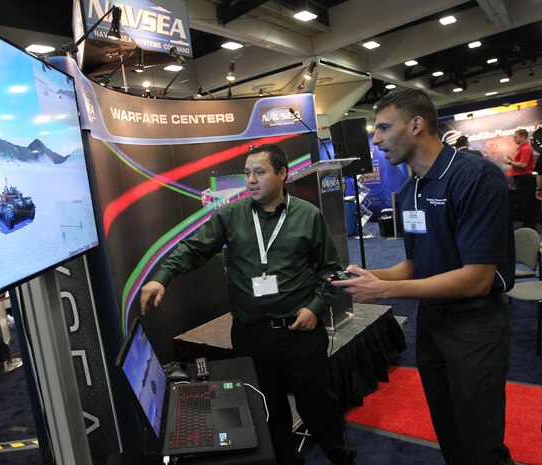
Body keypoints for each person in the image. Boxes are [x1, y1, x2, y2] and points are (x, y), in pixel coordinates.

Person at [140, 144, 356, 465]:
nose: (251, 180)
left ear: (282, 174)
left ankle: (341, 458)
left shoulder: (308, 215)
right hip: (251, 335)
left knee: (318, 406)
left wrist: (316, 306)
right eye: (247, 173)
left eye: (260, 172)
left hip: (299, 332)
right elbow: (192, 249)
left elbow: (329, 270)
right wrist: (162, 276)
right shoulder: (230, 215)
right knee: (267, 411)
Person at [333, 88, 515, 465]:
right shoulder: (410, 189)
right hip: (432, 324)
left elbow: (477, 278)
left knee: (480, 443)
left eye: (383, 127)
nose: (377, 139)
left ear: (416, 124)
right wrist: (370, 275)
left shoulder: (476, 178)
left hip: (475, 327)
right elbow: (417, 265)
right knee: (449, 434)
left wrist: (386, 289)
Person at [503, 128, 535, 229]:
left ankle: (529, 225)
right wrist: (511, 160)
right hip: (521, 178)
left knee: (526, 203)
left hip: (524, 179)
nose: (514, 139)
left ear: (523, 137)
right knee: (523, 203)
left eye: (516, 137)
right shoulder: (521, 148)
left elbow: (523, 164)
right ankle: (527, 224)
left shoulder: (525, 149)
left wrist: (509, 162)